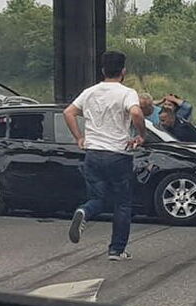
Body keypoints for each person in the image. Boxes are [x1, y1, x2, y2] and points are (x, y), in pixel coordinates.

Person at [63, 51, 147, 260]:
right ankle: (116, 250)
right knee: (122, 203)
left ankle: (84, 211)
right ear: (123, 71)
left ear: (102, 70)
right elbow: (136, 113)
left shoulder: (89, 92)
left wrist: (79, 137)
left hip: (93, 153)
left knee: (98, 198)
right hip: (118, 154)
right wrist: (141, 135)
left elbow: (68, 112)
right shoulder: (127, 93)